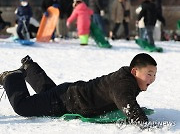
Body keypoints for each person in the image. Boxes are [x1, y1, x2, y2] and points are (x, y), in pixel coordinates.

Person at [0, 53, 157, 126]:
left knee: (47, 94)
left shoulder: (126, 79)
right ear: (134, 71)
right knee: (23, 107)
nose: (152, 79)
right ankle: (12, 78)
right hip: (67, 100)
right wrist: (143, 122)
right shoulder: (123, 84)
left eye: (154, 75)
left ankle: (30, 67)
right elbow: (126, 103)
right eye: (149, 74)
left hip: (70, 94)